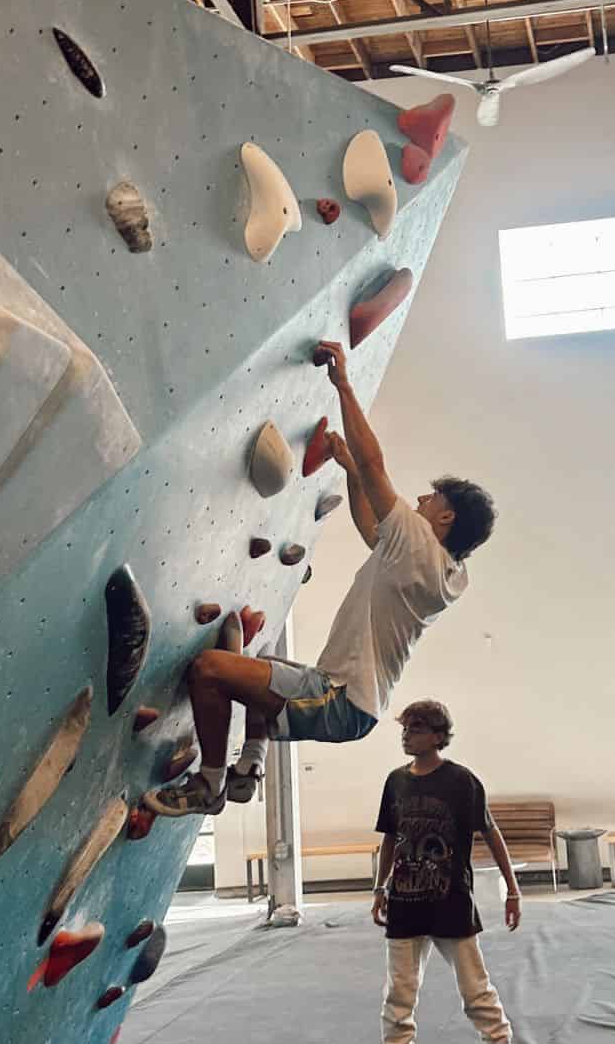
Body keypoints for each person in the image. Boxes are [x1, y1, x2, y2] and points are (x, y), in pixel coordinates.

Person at [144, 340, 496, 818]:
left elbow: (377, 467)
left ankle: (210, 784)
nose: (420, 500)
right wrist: (350, 471)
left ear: (446, 517)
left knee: (210, 670)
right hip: (342, 696)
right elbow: (372, 529)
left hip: (340, 700)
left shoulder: (420, 547)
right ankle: (249, 766)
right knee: (261, 662)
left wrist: (343, 384)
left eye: (430, 499)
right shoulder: (443, 571)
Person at [370, 699, 523, 1044]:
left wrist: (512, 889)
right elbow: (389, 838)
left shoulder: (460, 781)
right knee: (398, 995)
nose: (407, 734)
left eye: (417, 728)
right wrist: (380, 887)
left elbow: (490, 833)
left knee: (475, 990)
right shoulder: (395, 782)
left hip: (450, 900)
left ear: (438, 735)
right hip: (404, 903)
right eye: (405, 727)